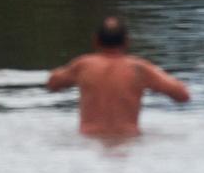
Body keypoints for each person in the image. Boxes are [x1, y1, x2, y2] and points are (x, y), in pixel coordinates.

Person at [47, 16, 190, 136]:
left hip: (88, 140)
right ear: (127, 41)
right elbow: (183, 95)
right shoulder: (139, 68)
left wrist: (61, 73)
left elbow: (52, 84)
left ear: (96, 40)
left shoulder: (83, 65)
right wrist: (155, 83)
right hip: (129, 141)